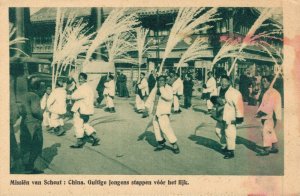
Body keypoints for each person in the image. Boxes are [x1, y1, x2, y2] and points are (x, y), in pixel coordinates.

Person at [210, 75, 244, 159]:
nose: (223, 83)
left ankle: (230, 151)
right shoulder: (218, 89)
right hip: (220, 114)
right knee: (218, 131)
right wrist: (215, 99)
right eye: (222, 81)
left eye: (225, 81)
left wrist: (239, 117)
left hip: (230, 115)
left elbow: (239, 106)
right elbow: (212, 96)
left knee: (229, 132)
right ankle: (226, 145)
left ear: (229, 82)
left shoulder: (235, 92)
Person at [144, 75, 180, 154]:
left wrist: (161, 88)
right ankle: (161, 143)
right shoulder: (155, 88)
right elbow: (150, 98)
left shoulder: (168, 88)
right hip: (155, 112)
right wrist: (146, 107)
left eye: (162, 80)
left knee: (166, 128)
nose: (161, 82)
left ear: (165, 81)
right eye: (159, 80)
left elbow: (169, 97)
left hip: (163, 112)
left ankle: (174, 144)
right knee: (156, 128)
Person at [68, 73, 100, 148]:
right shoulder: (88, 87)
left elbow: (74, 96)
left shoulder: (83, 88)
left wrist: (68, 95)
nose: (80, 80)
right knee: (84, 124)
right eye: (79, 78)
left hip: (80, 109)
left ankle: (79, 141)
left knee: (78, 124)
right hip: (86, 110)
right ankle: (94, 137)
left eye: (81, 78)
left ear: (85, 79)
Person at [19, 80, 44, 173]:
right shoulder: (34, 96)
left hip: (24, 123)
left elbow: (21, 111)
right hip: (34, 124)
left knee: (25, 144)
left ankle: (25, 166)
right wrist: (42, 116)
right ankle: (30, 167)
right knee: (36, 145)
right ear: (36, 88)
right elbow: (35, 111)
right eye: (42, 87)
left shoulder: (23, 95)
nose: (43, 90)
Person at [255, 75, 282, 156]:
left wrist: (260, 113)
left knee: (266, 131)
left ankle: (266, 149)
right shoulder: (267, 91)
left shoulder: (272, 92)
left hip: (271, 115)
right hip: (267, 115)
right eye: (263, 81)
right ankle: (274, 147)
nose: (263, 83)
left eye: (265, 81)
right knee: (270, 131)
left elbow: (269, 106)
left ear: (270, 82)